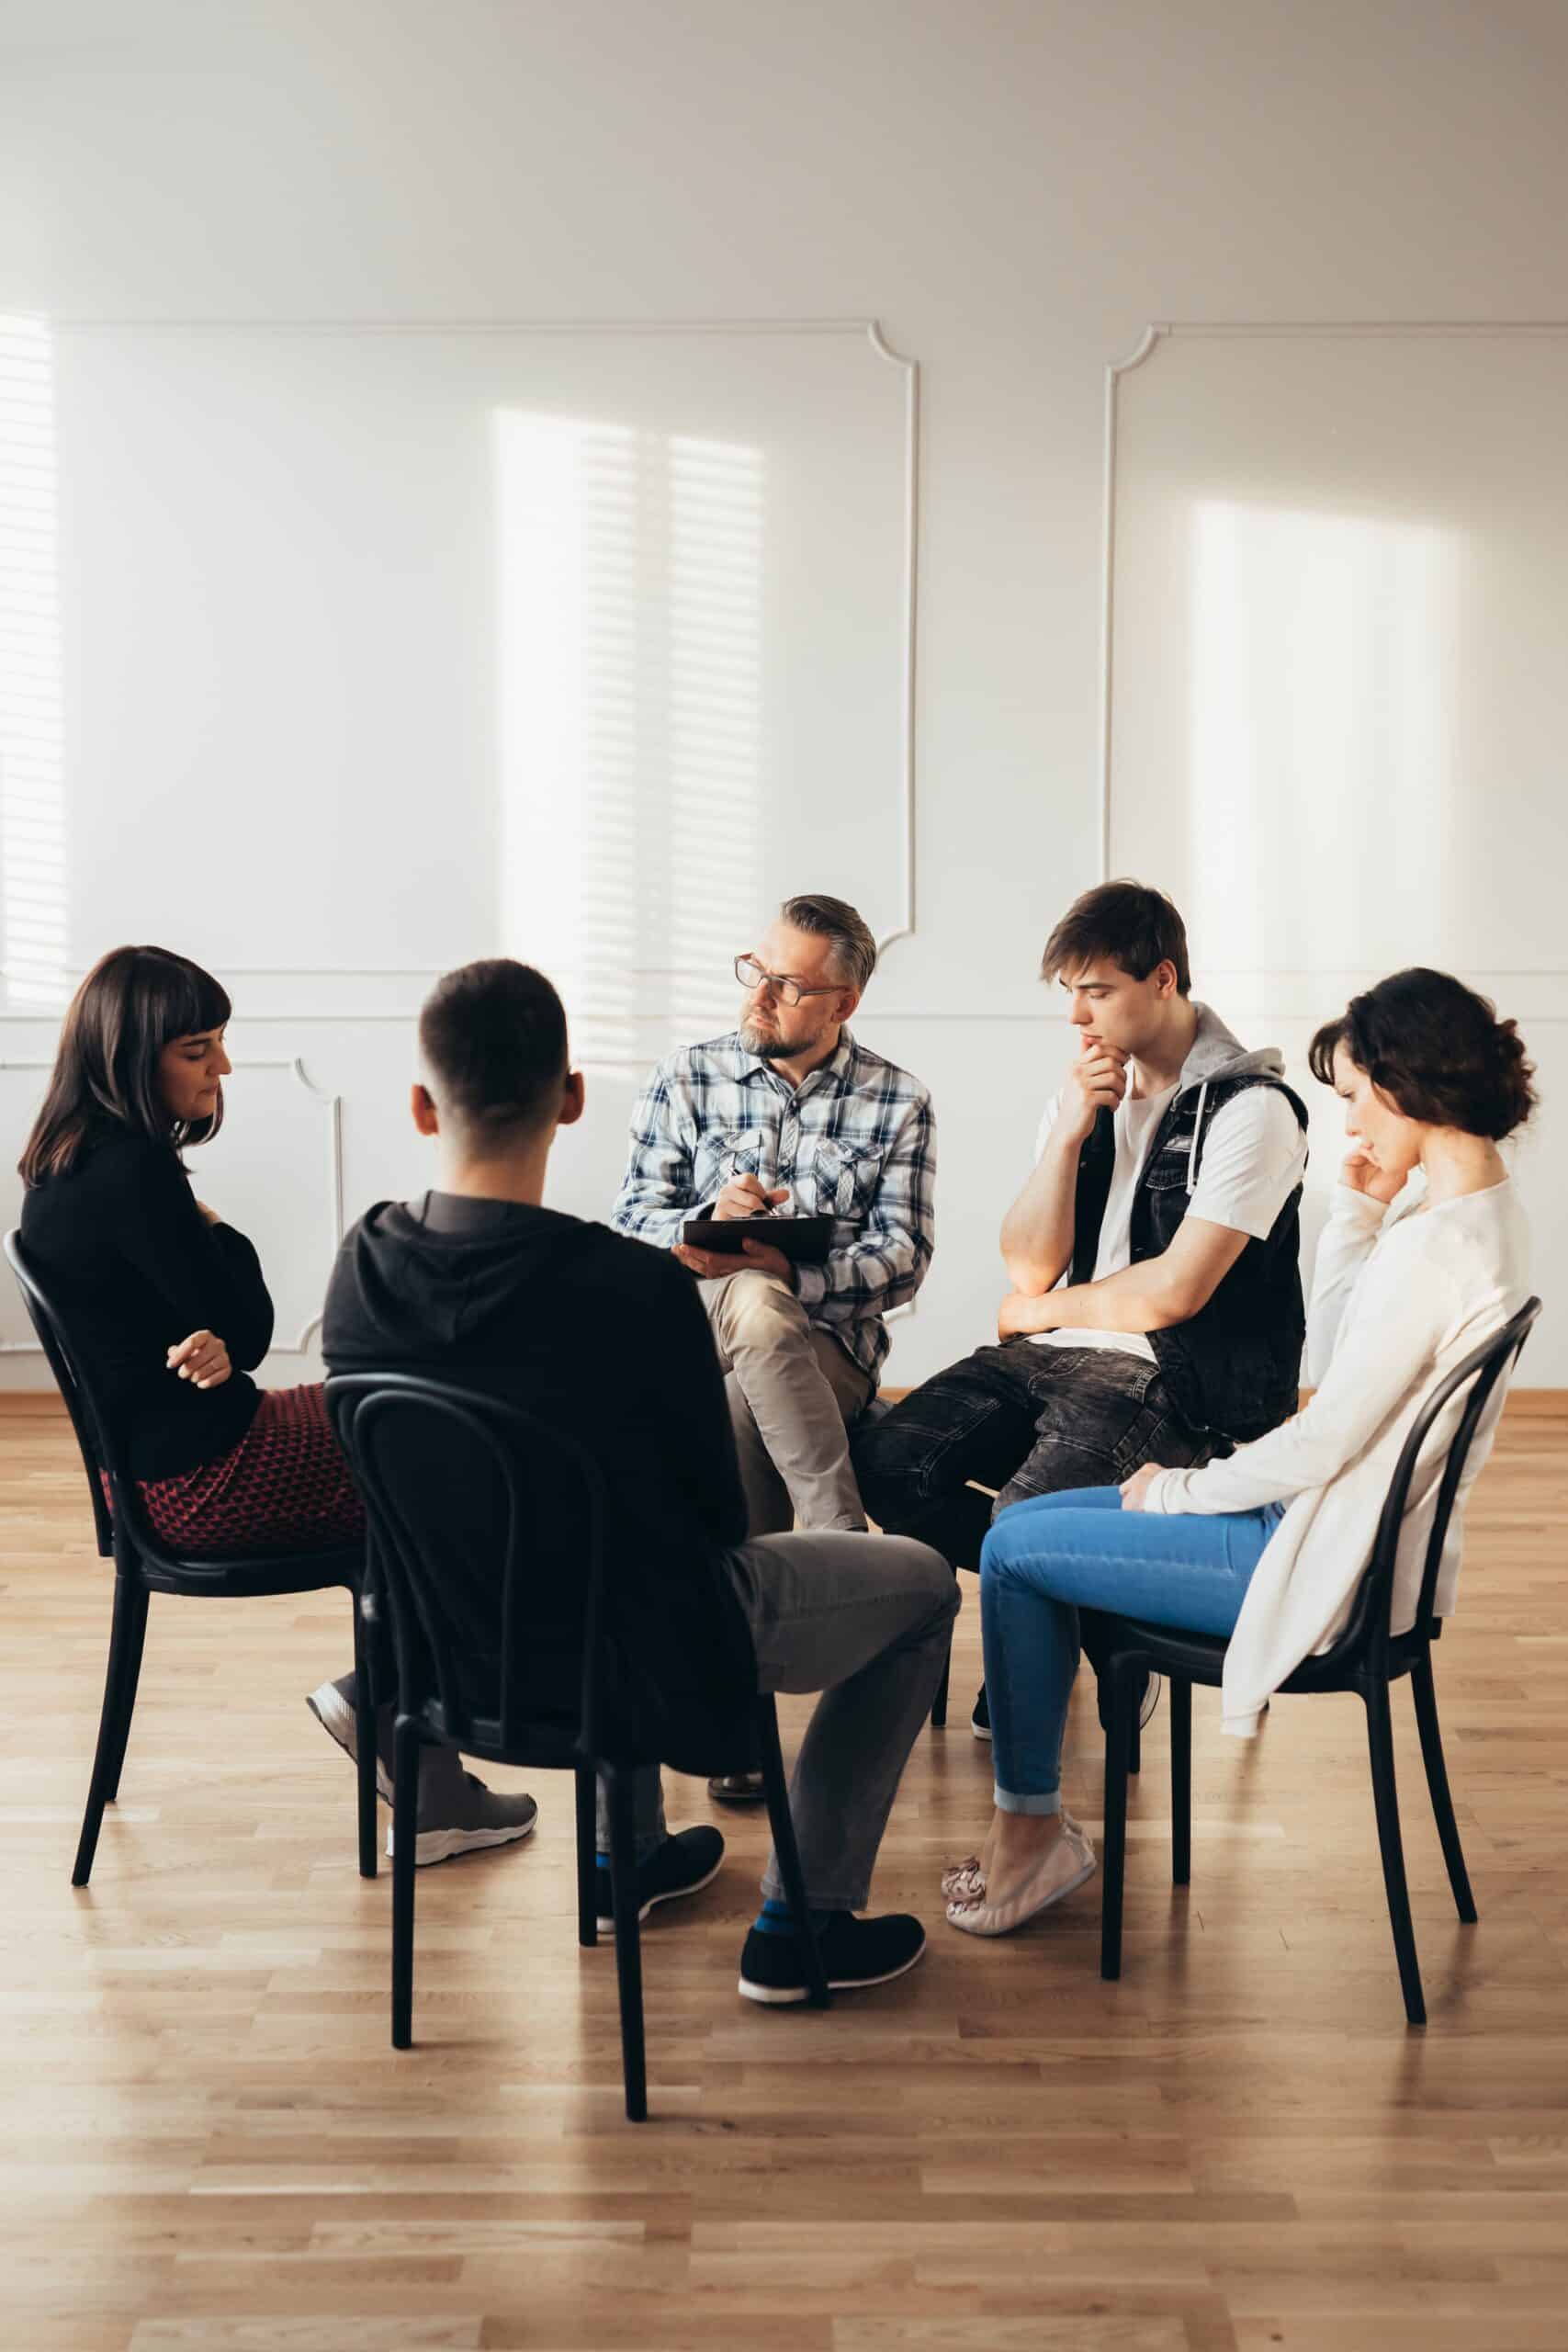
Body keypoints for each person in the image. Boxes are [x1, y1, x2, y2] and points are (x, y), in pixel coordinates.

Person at [321, 956, 956, 2003]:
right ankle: (807, 1921)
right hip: (627, 1663)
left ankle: (630, 1859)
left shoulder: (365, 1260)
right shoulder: (630, 1291)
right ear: (572, 1099)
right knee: (923, 1586)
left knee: (602, 1559)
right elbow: (712, 1521)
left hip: (449, 1658)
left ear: (421, 1104)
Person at [944, 968, 1535, 1937]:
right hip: (1349, 1540)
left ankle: (1030, 1839)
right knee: (1025, 1536)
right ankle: (1034, 1827)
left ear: (1402, 1082)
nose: (1351, 1127)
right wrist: (1359, 1213)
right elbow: (1345, 1366)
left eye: (1352, 1100)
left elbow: (1327, 1434)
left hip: (1314, 1558)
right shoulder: (1477, 1218)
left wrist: (1180, 1491)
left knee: (1013, 1552)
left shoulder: (1440, 1250)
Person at [17, 944, 538, 1868]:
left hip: (179, 1457)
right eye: (198, 1049)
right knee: (456, 1452)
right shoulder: (132, 1175)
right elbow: (249, 1326)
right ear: (130, 1058)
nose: (221, 1068)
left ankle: (403, 1740)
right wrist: (227, 1246)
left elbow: (216, 1333)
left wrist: (213, 1291)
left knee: (408, 1421)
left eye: (221, 1043)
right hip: (206, 1480)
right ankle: (405, 1744)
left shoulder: (67, 1168)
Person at [853, 880, 1309, 1737]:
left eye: (1096, 991)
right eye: (1069, 993)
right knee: (888, 1464)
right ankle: (1090, 1623)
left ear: (1164, 980)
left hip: (1166, 1374)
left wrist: (1035, 1312)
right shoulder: (1085, 1102)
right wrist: (1068, 1133)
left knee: (1020, 1522)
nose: (1077, 1018)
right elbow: (1026, 1260)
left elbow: (1174, 1293)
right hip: (1049, 1353)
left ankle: (1041, 1649)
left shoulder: (1253, 1111)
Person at [612, 892, 936, 1802]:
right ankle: (841, 1544)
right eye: (756, 971)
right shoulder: (686, 1075)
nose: (760, 997)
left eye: (789, 986)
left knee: (745, 1376)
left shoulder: (899, 1099)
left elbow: (904, 1259)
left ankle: (734, 1710)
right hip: (696, 1332)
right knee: (745, 1303)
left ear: (844, 1003)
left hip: (826, 1353)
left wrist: (795, 1277)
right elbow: (629, 1221)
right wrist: (698, 1228)